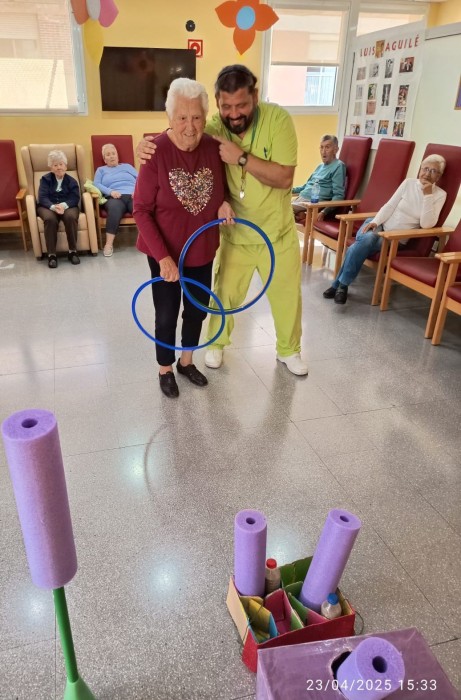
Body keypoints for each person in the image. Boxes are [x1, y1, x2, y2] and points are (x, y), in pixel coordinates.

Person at [137, 64, 308, 376]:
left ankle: (284, 350)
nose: (234, 113)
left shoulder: (261, 125)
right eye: (226, 106)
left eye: (241, 104)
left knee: (275, 300)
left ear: (255, 97)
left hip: (259, 235)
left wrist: (234, 175)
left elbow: (279, 178)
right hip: (207, 241)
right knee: (194, 306)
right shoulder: (200, 133)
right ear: (218, 104)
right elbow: (183, 129)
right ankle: (190, 357)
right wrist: (150, 143)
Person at [132, 78, 233, 399]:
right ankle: (165, 369)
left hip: (201, 249)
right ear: (169, 118)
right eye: (182, 117)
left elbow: (222, 188)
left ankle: (186, 363)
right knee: (166, 315)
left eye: (197, 117)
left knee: (197, 310)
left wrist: (224, 202)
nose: (190, 126)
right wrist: (163, 258)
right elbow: (140, 209)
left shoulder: (214, 148)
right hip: (165, 253)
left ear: (205, 117)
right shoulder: (155, 151)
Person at [323, 155, 447, 305]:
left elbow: (427, 224)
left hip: (394, 239)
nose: (427, 174)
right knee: (368, 238)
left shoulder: (440, 195)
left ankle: (339, 285)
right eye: (425, 169)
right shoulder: (408, 183)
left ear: (439, 176)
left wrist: (428, 195)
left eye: (433, 171)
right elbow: (389, 206)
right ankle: (341, 286)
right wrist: (375, 222)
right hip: (379, 224)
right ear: (420, 169)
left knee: (358, 245)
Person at [37, 150, 80, 269]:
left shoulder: (72, 181)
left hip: (68, 206)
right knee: (50, 219)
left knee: (70, 217)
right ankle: (52, 255)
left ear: (65, 166)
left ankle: (73, 252)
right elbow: (42, 197)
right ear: (51, 168)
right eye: (55, 165)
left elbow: (75, 198)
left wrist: (64, 205)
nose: (59, 167)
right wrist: (53, 207)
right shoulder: (45, 179)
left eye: (61, 164)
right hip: (48, 206)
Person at [94, 144, 138, 257]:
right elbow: (96, 184)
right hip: (114, 197)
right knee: (114, 209)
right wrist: (110, 192)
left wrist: (137, 191)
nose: (112, 156)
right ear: (104, 159)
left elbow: (141, 179)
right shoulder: (101, 170)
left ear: (117, 156)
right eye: (108, 155)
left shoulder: (128, 167)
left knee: (140, 209)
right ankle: (108, 244)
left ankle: (149, 241)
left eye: (113, 154)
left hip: (132, 195)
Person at [291, 134, 346, 224]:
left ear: (335, 150)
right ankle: (301, 215)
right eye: (321, 147)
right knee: (278, 205)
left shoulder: (338, 166)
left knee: (281, 209)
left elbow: (339, 195)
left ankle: (303, 215)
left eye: (327, 147)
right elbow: (306, 186)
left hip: (313, 203)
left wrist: (324, 212)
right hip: (301, 200)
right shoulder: (319, 166)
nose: (323, 151)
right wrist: (289, 189)